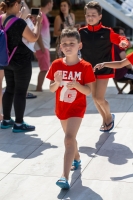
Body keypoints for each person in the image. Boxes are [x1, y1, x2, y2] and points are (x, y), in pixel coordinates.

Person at [46, 28, 96, 189]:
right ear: (60, 46)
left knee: (68, 139)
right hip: (61, 109)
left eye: (72, 43)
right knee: (71, 139)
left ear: (79, 45)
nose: (68, 46)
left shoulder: (85, 66)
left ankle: (64, 176)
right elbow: (52, 89)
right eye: (65, 44)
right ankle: (77, 158)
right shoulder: (56, 64)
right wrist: (57, 81)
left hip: (77, 109)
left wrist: (77, 85)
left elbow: (89, 91)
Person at [79, 1, 129, 132]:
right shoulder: (81, 32)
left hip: (104, 69)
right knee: (94, 98)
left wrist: (123, 42)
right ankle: (105, 119)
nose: (90, 17)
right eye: (88, 15)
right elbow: (74, 45)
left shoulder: (107, 32)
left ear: (100, 16)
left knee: (99, 97)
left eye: (93, 15)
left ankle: (108, 118)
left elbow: (120, 39)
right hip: (88, 70)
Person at [0, 0, 42, 132]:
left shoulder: (1, 18)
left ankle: (6, 120)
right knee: (20, 91)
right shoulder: (19, 22)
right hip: (21, 61)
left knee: (9, 89)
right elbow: (33, 37)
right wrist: (38, 22)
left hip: (6, 60)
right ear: (17, 4)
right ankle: (19, 123)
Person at [34, 0, 53, 92]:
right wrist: (42, 47)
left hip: (44, 46)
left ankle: (39, 87)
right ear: (49, 3)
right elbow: (38, 33)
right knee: (44, 69)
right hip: (42, 47)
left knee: (45, 68)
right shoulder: (41, 15)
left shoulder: (42, 14)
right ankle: (39, 88)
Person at [113, 26, 133, 94]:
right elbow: (127, 65)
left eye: (123, 33)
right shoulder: (119, 45)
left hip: (114, 73)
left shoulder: (111, 45)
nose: (124, 35)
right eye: (121, 33)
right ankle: (131, 94)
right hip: (121, 74)